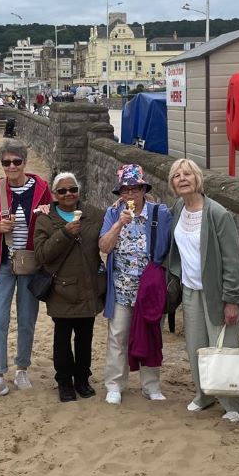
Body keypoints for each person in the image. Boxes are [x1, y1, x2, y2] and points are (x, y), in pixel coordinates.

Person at [167, 158, 239, 424]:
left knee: (224, 347)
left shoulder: (217, 214)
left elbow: (232, 260)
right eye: (177, 175)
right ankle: (204, 394)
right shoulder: (179, 207)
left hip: (217, 292)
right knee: (196, 348)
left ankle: (235, 403)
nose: (182, 178)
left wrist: (232, 300)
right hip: (191, 290)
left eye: (187, 174)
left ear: (198, 179)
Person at [0, 139, 52, 400]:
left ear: (24, 163)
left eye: (16, 162)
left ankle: (22, 368)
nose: (11, 166)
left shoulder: (42, 189)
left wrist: (46, 214)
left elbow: (54, 221)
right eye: (6, 162)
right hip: (2, 264)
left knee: (27, 319)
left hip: (31, 262)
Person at [98, 164, 172, 405]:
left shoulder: (159, 213)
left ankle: (151, 385)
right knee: (118, 335)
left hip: (149, 289)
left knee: (151, 334)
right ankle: (115, 385)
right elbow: (104, 247)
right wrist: (119, 224)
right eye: (125, 190)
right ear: (120, 192)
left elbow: (169, 247)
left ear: (143, 189)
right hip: (121, 287)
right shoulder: (112, 214)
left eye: (135, 189)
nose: (130, 194)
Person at [34, 172, 104, 403]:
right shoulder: (46, 219)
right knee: (62, 340)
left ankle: (82, 379)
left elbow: (112, 224)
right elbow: (42, 254)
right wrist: (64, 233)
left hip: (87, 287)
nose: (68, 194)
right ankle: (64, 382)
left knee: (85, 338)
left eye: (72, 189)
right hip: (61, 290)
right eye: (62, 191)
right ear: (54, 194)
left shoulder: (93, 214)